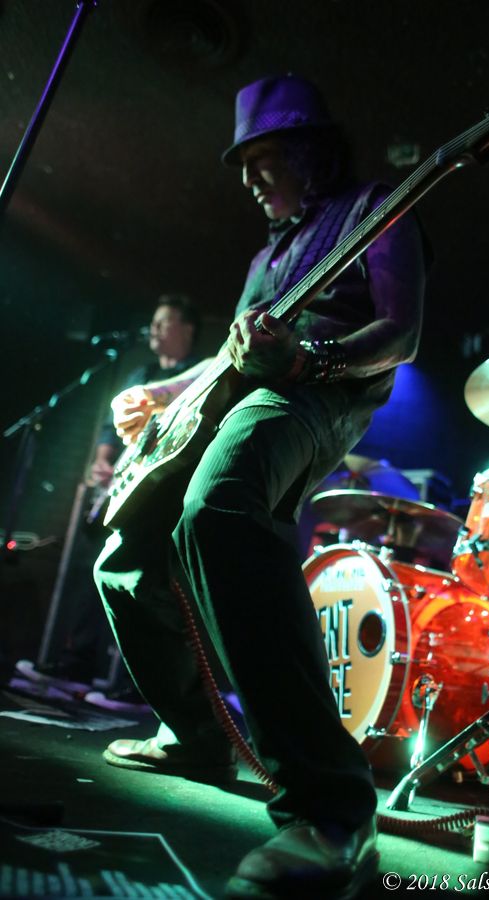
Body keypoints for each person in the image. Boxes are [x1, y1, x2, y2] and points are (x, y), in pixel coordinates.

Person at [94, 74, 427, 898]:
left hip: (316, 394)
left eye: (263, 158)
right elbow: (227, 356)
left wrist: (308, 360)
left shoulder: (374, 208)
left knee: (218, 510)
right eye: (242, 166)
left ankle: (333, 809)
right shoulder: (266, 256)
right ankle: (197, 735)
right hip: (240, 393)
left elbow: (402, 331)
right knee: (123, 557)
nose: (249, 178)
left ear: (310, 150)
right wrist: (163, 394)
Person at [15, 293, 202, 707]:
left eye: (164, 321)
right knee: (93, 572)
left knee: (146, 585)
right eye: (154, 321)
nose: (154, 329)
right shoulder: (141, 373)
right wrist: (103, 463)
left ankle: (137, 686)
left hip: (160, 497)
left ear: (187, 330)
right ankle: (77, 666)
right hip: (121, 491)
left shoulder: (197, 376)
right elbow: (108, 430)